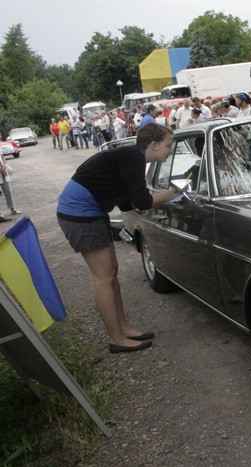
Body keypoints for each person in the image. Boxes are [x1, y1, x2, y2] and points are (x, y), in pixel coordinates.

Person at [56, 123, 176, 354]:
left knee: (112, 273)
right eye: (168, 145)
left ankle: (123, 329)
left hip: (91, 211)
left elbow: (125, 202)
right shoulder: (133, 157)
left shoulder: (132, 158)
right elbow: (141, 202)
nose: (169, 150)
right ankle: (115, 339)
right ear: (154, 144)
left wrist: (155, 200)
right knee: (104, 277)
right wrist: (173, 193)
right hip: (79, 214)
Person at [0, 154, 21, 223]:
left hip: (4, 174)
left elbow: (2, 156)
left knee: (8, 191)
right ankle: (0, 215)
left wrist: (4, 166)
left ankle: (13, 208)